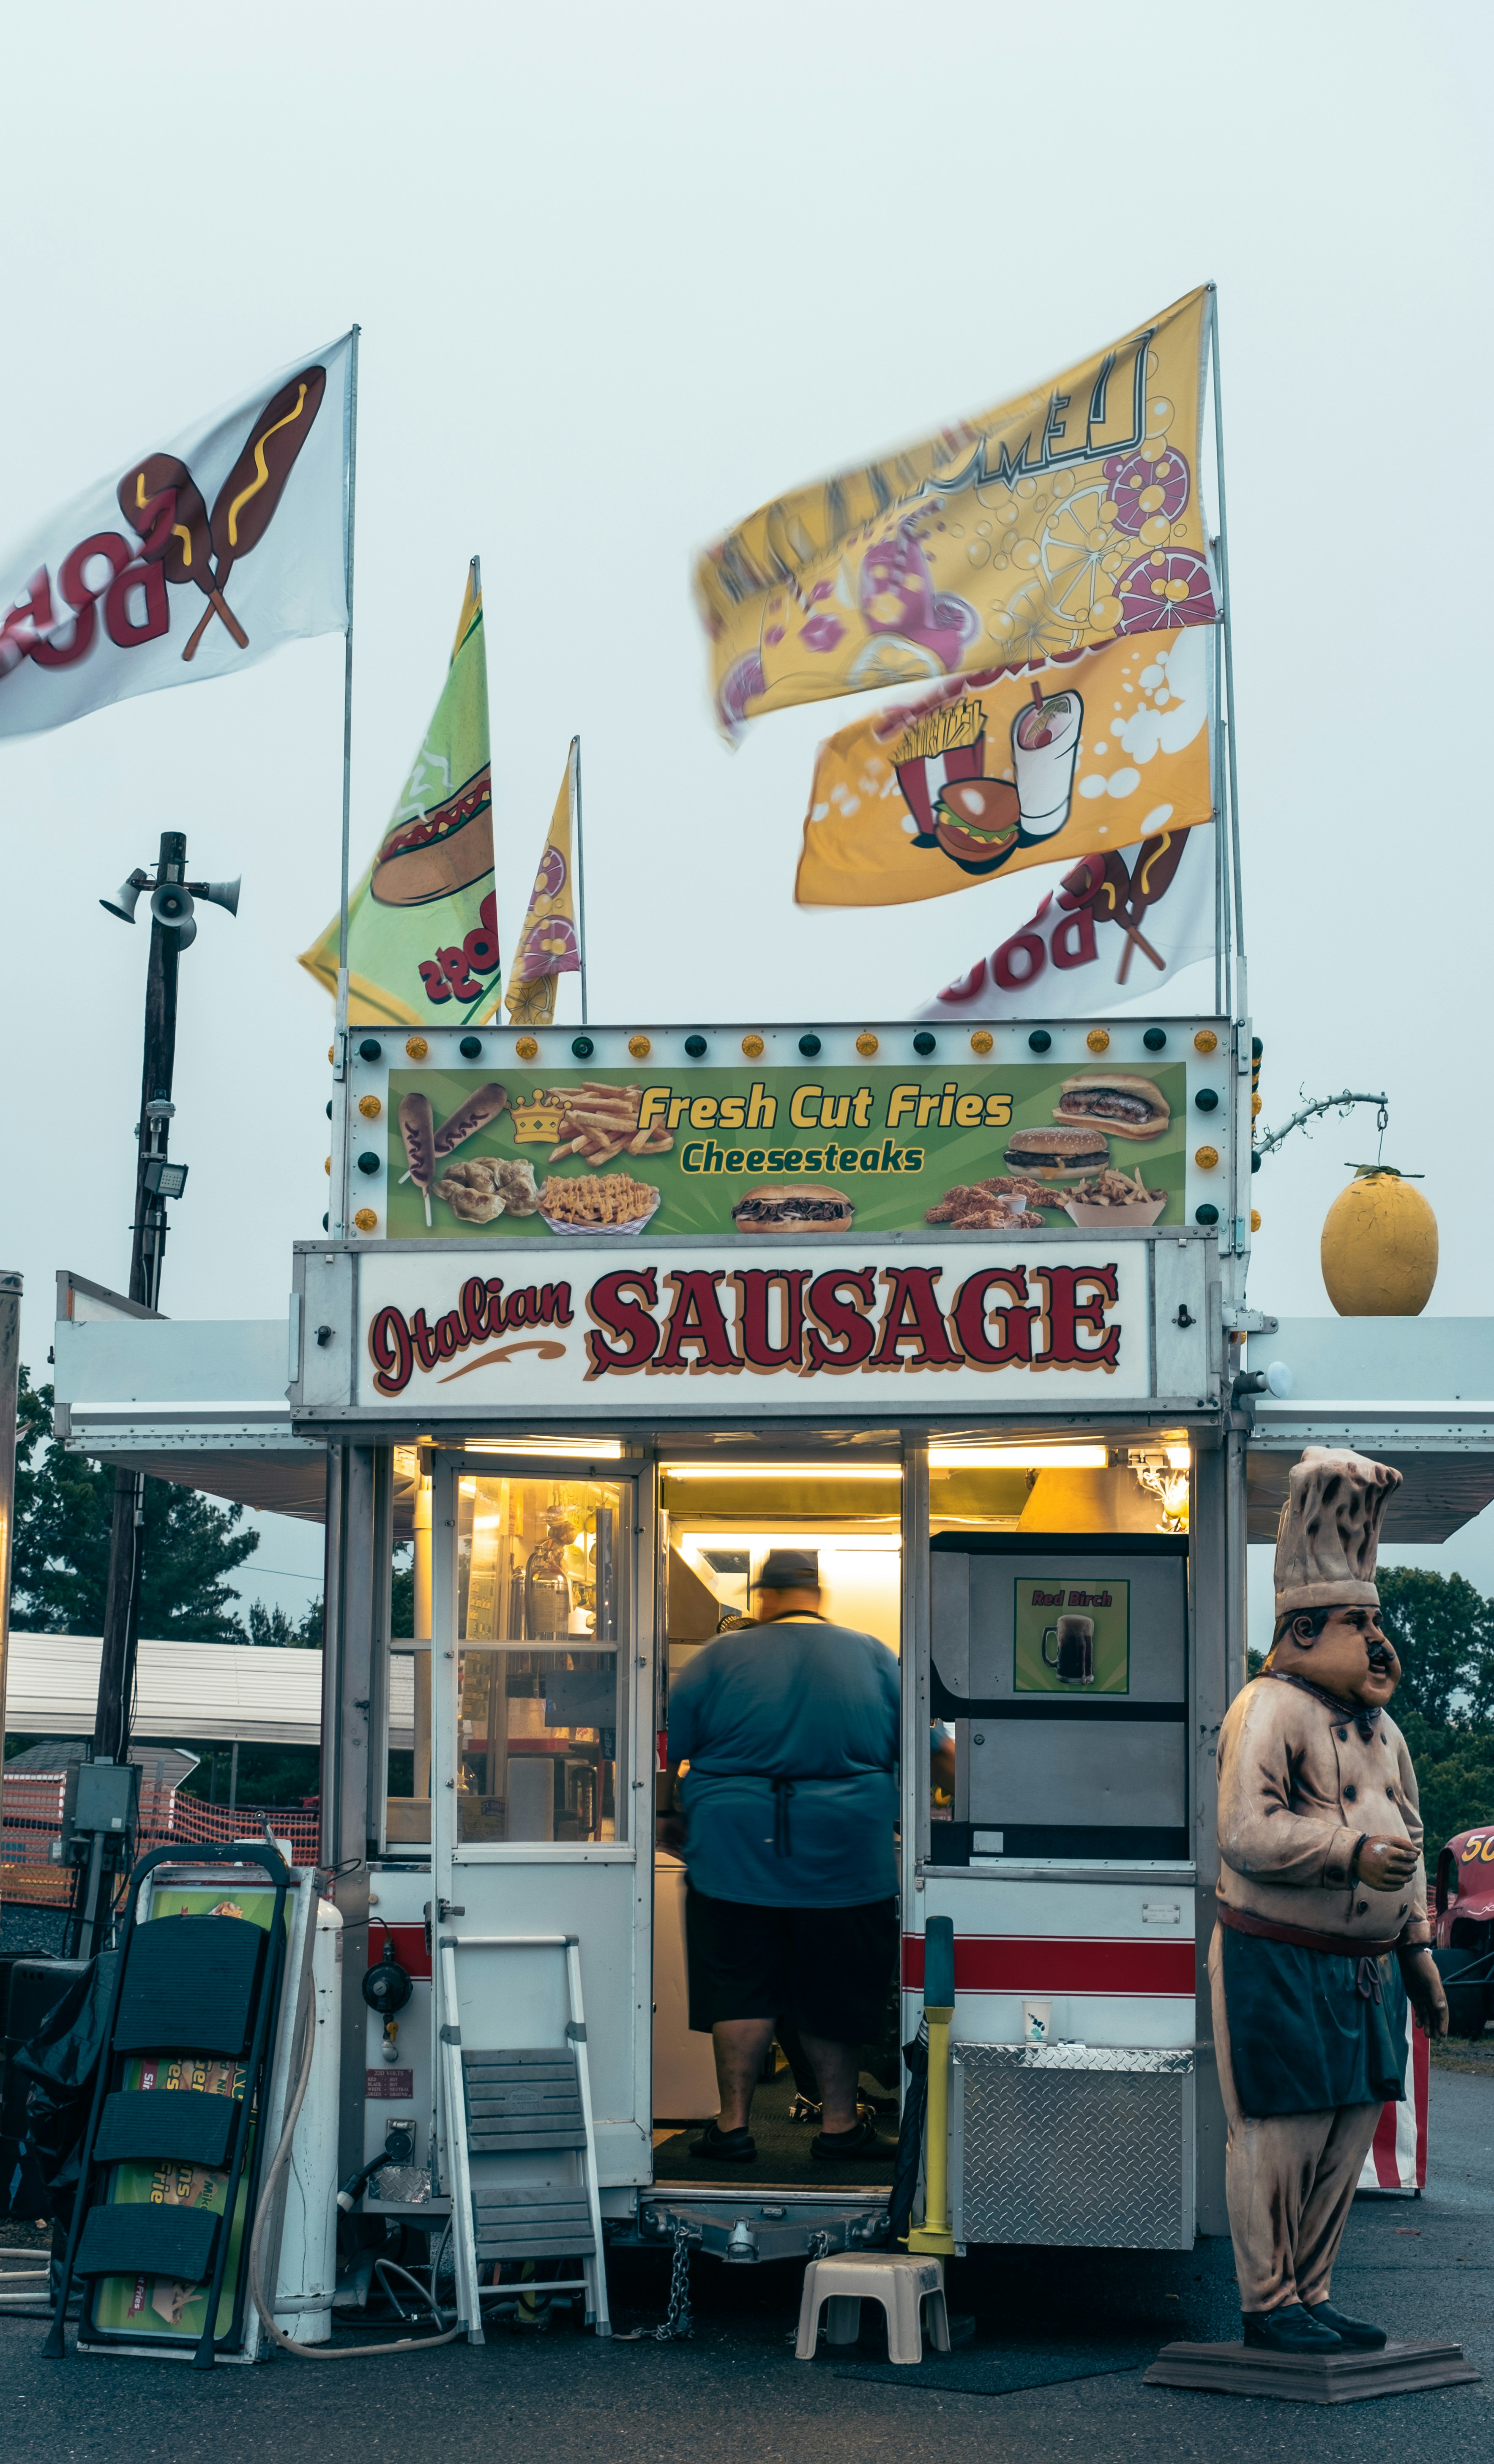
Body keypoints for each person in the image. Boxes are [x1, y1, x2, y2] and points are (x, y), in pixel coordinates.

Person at [1212, 1447, 1448, 2356]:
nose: (1381, 1645)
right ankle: (1267, 2301)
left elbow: (1416, 1838)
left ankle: (1311, 2291)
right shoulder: (1265, 1710)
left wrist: (1418, 1950)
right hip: (1278, 1958)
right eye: (1361, 1624)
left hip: (1365, 1971)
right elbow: (1245, 1832)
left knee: (1349, 2129)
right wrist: (1347, 1852)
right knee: (1281, 2133)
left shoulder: (1382, 1728)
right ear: (1305, 1631)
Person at [658, 1546, 899, 2164]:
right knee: (833, 1990)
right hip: (844, 1858)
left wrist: (669, 1815)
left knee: (740, 1990)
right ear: (817, 1595)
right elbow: (931, 1749)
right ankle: (841, 2129)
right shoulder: (874, 1655)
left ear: (763, 1597)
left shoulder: (716, 1658)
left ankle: (733, 2127)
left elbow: (671, 1749)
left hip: (733, 1854)